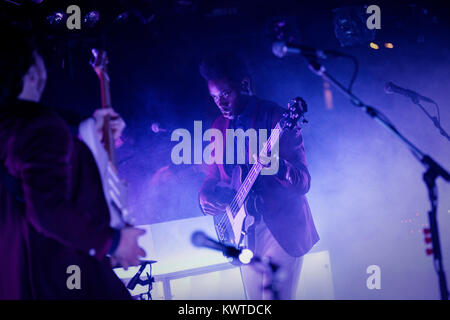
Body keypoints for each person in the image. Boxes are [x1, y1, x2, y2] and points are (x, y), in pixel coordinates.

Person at [0, 22, 145, 299]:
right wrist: (112, 242)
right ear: (32, 71)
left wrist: (86, 124)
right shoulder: (40, 126)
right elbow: (47, 211)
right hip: (58, 276)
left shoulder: (14, 124)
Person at [198, 52, 319, 300]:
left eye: (225, 94)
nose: (220, 103)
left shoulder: (276, 118)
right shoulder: (217, 126)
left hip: (282, 229)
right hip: (244, 233)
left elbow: (304, 181)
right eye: (214, 97)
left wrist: (278, 166)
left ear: (244, 84)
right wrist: (204, 196)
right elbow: (212, 175)